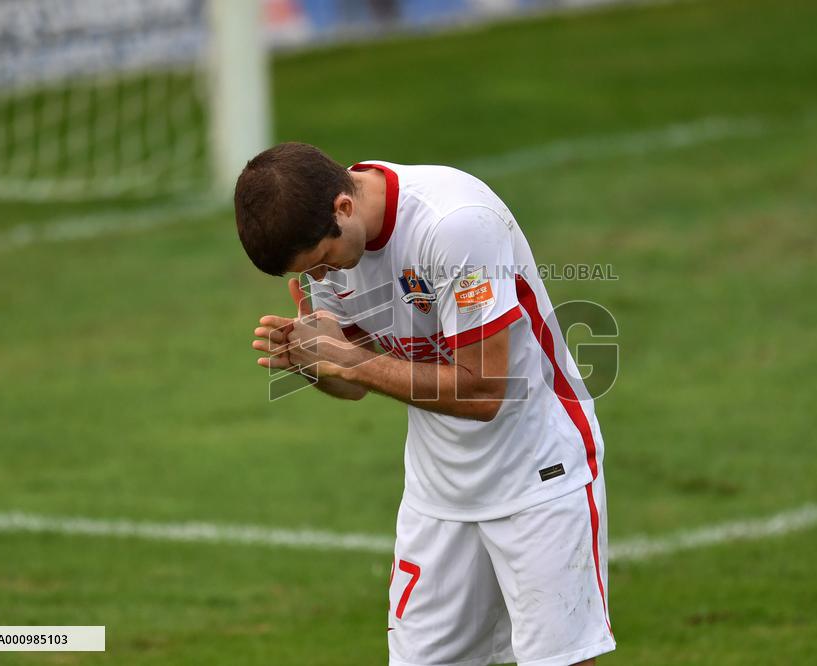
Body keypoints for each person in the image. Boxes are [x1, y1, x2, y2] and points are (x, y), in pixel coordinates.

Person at [235, 142, 615, 666]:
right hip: (438, 496)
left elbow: (485, 392)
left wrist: (348, 359)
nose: (321, 278)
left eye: (322, 262)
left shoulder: (454, 223)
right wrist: (315, 364)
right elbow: (358, 383)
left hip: (538, 476)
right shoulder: (329, 247)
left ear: (342, 208)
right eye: (308, 272)